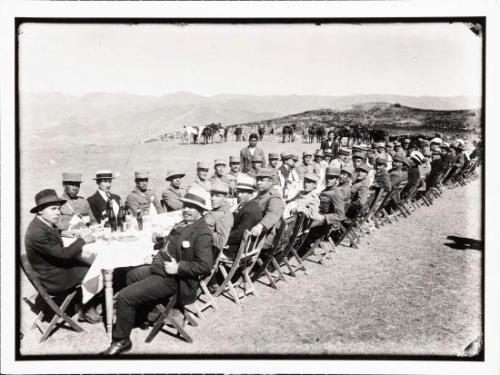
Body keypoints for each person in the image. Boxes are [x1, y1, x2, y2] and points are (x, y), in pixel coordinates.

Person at [100, 186, 214, 356]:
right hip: (160, 267)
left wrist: (179, 268)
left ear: (202, 211)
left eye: (193, 207)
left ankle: (121, 341)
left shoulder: (202, 232)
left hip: (173, 279)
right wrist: (161, 240)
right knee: (131, 274)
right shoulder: (183, 223)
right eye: (186, 205)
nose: (187, 210)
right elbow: (174, 245)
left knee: (125, 296)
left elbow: (205, 266)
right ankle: (143, 317)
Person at [25, 189, 100, 323]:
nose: (58, 212)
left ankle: (83, 303)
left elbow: (51, 234)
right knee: (93, 269)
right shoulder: (38, 233)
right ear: (40, 210)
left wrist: (63, 233)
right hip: (52, 279)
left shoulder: (39, 224)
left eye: (59, 209)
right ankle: (87, 309)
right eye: (53, 209)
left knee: (84, 261)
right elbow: (64, 255)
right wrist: (82, 240)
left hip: (48, 270)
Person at [224, 174, 263, 259]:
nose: (239, 195)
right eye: (238, 192)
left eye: (243, 192)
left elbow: (239, 235)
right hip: (245, 248)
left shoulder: (250, 211)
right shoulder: (251, 206)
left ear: (251, 193)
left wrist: (223, 239)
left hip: (239, 251)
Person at [249, 169, 285, 240]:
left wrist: (260, 225)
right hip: (256, 233)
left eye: (262, 180)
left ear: (270, 182)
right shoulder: (262, 194)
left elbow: (273, 213)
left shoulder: (274, 197)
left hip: (264, 237)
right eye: (257, 180)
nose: (258, 183)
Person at [204, 181, 234, 253]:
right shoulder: (215, 210)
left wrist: (202, 227)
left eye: (218, 196)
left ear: (226, 198)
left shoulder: (225, 216)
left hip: (206, 252)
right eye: (212, 195)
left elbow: (221, 243)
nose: (213, 198)